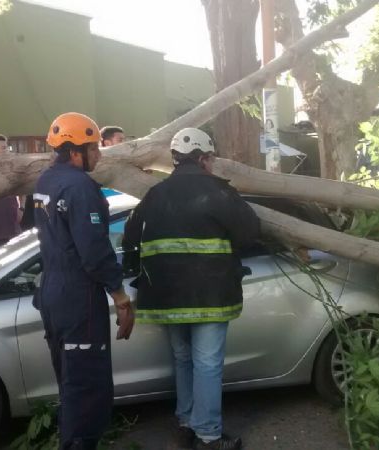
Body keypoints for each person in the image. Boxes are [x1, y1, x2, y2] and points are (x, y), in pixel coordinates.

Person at [122, 128, 262, 450]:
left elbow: (129, 239)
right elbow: (249, 232)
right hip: (209, 296)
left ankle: (186, 422)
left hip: (166, 297)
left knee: (183, 359)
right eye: (211, 159)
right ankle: (209, 436)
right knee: (208, 364)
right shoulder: (219, 192)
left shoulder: (155, 194)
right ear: (202, 158)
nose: (212, 165)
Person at [33, 112, 135, 449]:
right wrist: (120, 296)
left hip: (52, 292)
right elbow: (94, 251)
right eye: (94, 148)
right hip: (78, 297)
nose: (99, 155)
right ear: (77, 150)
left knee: (70, 381)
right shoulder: (81, 188)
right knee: (86, 387)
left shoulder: (46, 182)